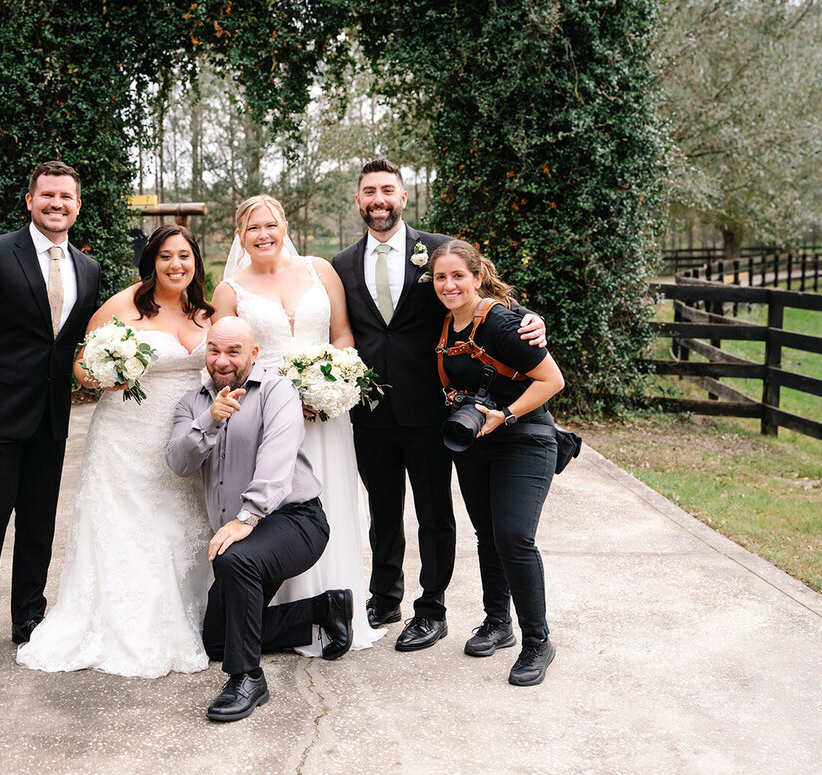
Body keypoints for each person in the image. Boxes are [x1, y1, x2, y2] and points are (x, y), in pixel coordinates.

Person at [330, 158, 547, 652]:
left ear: (403, 197)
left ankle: (432, 608)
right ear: (358, 200)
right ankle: (384, 598)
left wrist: (532, 319)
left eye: (388, 190)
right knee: (382, 512)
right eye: (369, 191)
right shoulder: (340, 265)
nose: (379, 199)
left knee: (434, 512)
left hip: (433, 410)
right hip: (368, 412)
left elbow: (486, 295)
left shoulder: (436, 251)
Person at [16, 225, 216, 678]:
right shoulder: (125, 304)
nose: (176, 265)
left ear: (196, 262)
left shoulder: (207, 311)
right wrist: (108, 374)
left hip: (185, 437)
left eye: (184, 256)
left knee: (178, 528)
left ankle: (191, 615)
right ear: (152, 261)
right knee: (130, 531)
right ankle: (129, 627)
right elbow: (83, 366)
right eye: (166, 256)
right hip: (126, 436)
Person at [211, 195, 384, 657]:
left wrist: (336, 383)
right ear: (240, 235)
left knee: (331, 497)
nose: (263, 234)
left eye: (271, 224)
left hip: (325, 414)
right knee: (278, 497)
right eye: (252, 228)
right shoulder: (230, 289)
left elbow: (342, 334)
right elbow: (225, 358)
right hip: (263, 415)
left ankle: (340, 597)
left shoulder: (319, 271)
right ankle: (289, 603)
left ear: (285, 224)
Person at [0, 161, 102, 665]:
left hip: (51, 419)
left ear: (78, 205)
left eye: (67, 197)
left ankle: (29, 618)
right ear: (30, 201)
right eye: (48, 196)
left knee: (39, 522)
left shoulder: (87, 268)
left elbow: (73, 345)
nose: (57, 204)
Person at [166, 317, 354, 722]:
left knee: (235, 559)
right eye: (215, 350)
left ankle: (247, 678)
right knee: (216, 640)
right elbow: (179, 463)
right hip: (244, 534)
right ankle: (320, 611)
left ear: (253, 354)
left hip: (296, 521)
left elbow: (278, 459)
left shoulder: (277, 391)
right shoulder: (192, 403)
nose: (222, 360)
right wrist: (211, 420)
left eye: (234, 351)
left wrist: (246, 516)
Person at [430, 238, 564, 686]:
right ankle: (497, 623)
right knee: (488, 535)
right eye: (441, 277)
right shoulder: (447, 325)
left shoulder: (503, 324)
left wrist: (505, 414)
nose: (449, 285)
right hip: (475, 441)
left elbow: (552, 379)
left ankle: (537, 642)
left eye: (458, 276)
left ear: (477, 277)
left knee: (514, 537)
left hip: (524, 439)